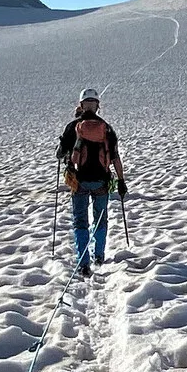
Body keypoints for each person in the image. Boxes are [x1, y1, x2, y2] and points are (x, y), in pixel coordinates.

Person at [56, 88, 127, 276]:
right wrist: (121, 181)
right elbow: (115, 158)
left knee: (80, 222)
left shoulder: (73, 127)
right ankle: (99, 255)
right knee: (100, 219)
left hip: (78, 181)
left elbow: (60, 153)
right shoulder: (107, 128)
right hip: (102, 182)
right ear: (97, 106)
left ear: (81, 105)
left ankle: (83, 262)